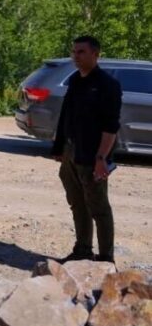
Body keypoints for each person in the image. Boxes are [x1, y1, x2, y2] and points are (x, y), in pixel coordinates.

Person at [50, 35, 122, 264]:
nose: (76, 56)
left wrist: (101, 158)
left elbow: (111, 127)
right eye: (74, 52)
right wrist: (59, 146)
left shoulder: (107, 85)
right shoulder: (75, 81)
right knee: (77, 204)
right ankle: (82, 250)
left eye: (81, 52)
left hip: (92, 156)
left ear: (95, 54)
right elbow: (66, 115)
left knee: (99, 208)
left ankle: (106, 259)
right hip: (72, 152)